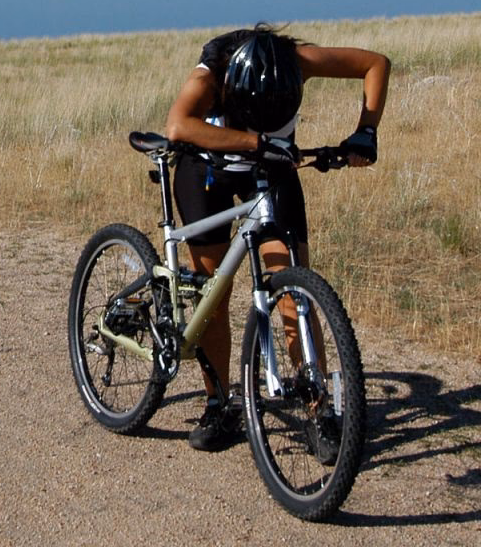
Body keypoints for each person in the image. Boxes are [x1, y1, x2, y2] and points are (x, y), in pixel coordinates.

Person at [164, 24, 390, 452]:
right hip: (207, 173)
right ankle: (220, 404)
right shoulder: (211, 73)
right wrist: (257, 141)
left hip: (270, 171)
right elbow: (177, 126)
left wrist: (367, 129)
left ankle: (321, 408)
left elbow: (376, 63)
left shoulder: (296, 61)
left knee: (294, 287)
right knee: (214, 292)